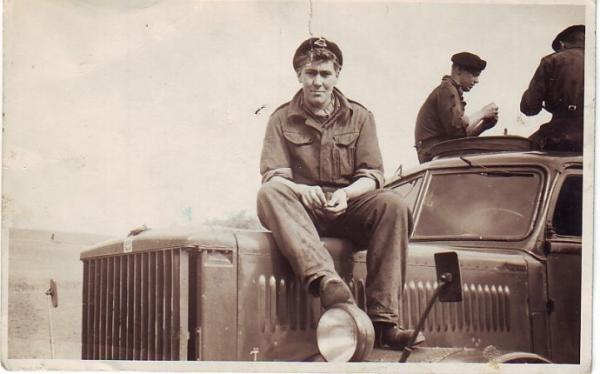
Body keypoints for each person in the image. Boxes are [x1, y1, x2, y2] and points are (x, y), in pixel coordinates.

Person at [256, 37, 424, 350]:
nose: (317, 81)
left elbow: (372, 175)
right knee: (268, 193)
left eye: (324, 73)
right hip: (302, 214)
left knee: (393, 206)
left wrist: (346, 195)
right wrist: (302, 190)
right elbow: (275, 175)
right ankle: (327, 282)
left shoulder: (360, 117)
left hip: (349, 207)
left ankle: (384, 322)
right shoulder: (280, 119)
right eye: (310, 73)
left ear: (337, 74)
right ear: (299, 76)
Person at [414, 52, 499, 163]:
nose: (477, 81)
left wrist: (483, 126)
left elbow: (458, 138)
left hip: (438, 153)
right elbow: (456, 132)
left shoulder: (452, 90)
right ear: (458, 70)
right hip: (433, 154)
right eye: (474, 74)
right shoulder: (446, 89)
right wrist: (482, 113)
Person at [521, 25, 584, 152]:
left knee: (519, 152)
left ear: (562, 44)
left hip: (561, 133)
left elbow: (529, 108)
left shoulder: (552, 60)